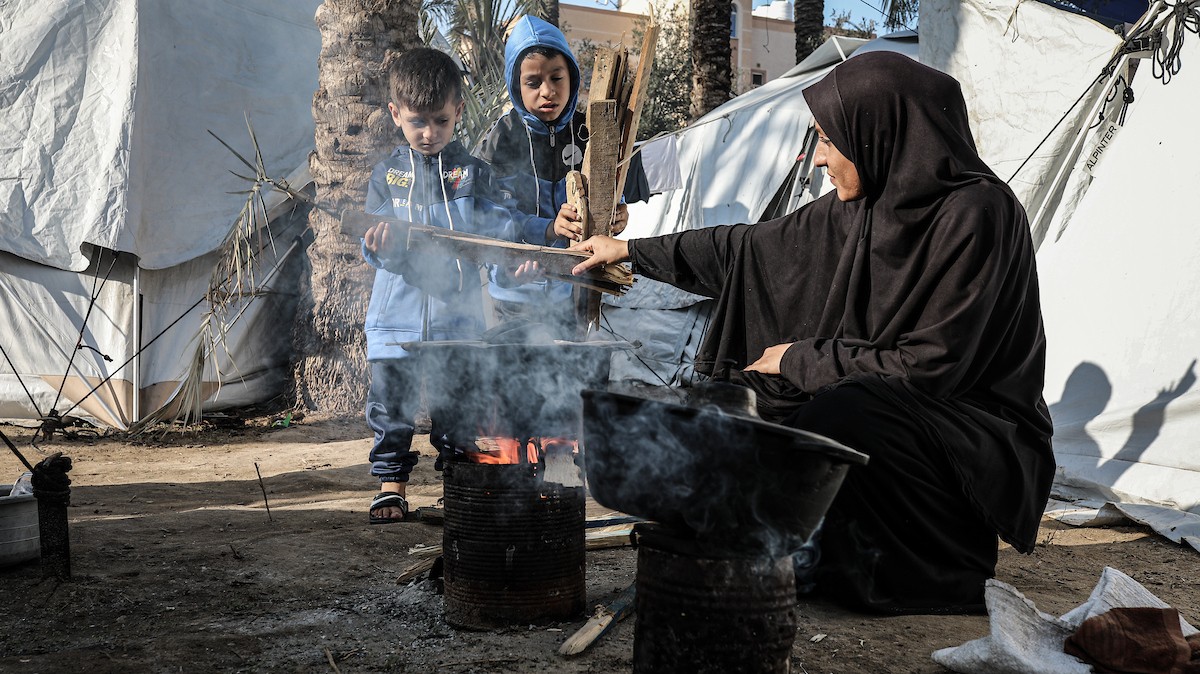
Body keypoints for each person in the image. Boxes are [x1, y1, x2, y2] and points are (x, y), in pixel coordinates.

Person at [570, 52, 1055, 614]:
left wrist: (801, 359)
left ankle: (931, 574)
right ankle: (802, 555)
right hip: (881, 394)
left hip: (970, 429)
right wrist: (629, 250)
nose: (819, 158)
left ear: (879, 132)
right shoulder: (864, 204)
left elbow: (931, 368)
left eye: (829, 140)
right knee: (743, 410)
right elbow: (745, 249)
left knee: (839, 417)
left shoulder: (979, 215)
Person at [360, 47, 528, 524]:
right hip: (396, 323)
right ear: (396, 114)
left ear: (457, 111)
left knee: (459, 407)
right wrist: (381, 245)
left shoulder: (472, 173)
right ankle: (391, 484)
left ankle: (459, 485)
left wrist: (534, 244)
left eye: (440, 120)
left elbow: (503, 228)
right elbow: (371, 247)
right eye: (417, 122)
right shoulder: (386, 176)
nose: (429, 133)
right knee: (392, 409)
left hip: (459, 321)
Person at [475, 15, 648, 337]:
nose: (547, 92)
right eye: (533, 82)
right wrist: (548, 229)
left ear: (573, 77)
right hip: (516, 294)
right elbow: (489, 217)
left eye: (557, 78)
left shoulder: (595, 132)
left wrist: (618, 215)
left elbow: (614, 194)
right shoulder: (499, 140)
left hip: (577, 291)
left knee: (567, 378)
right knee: (513, 375)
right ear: (515, 85)